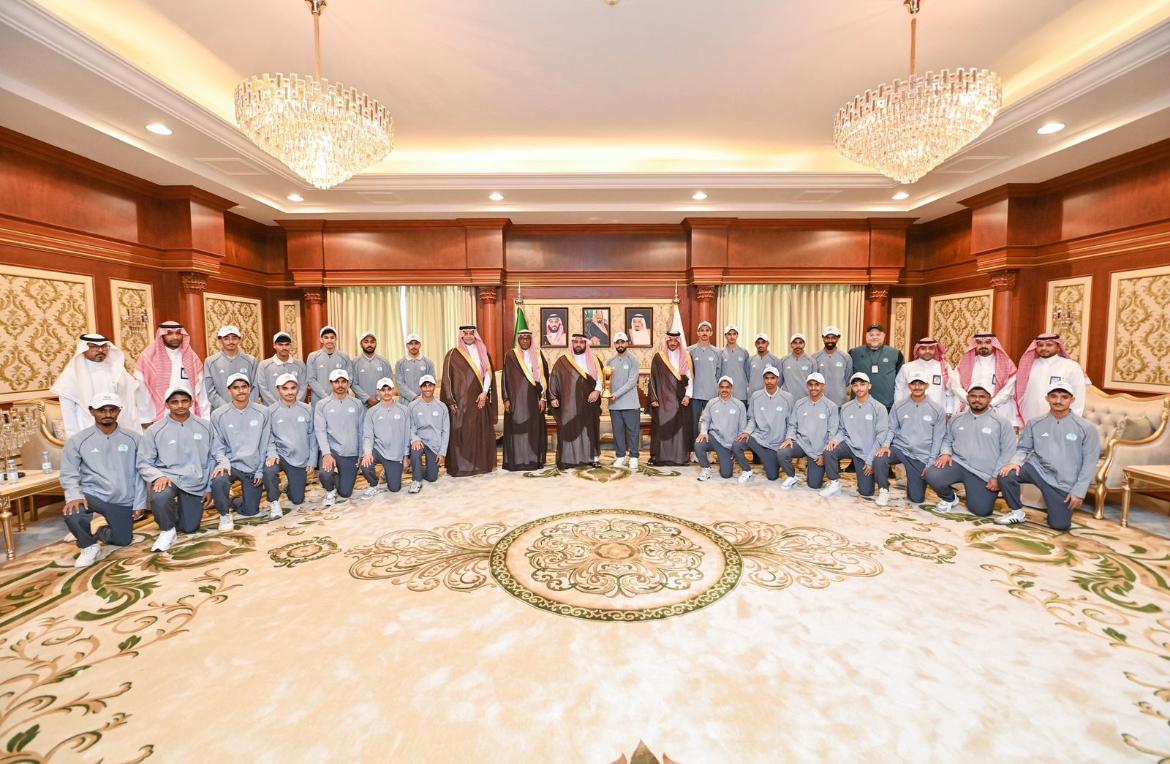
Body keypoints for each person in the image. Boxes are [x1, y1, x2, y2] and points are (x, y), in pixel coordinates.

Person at [60, 392, 148, 567]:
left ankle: (100, 532)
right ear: (92, 411)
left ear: (119, 411)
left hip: (123, 499)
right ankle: (88, 545)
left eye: (112, 410)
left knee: (123, 540)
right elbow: (69, 473)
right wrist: (74, 496)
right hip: (92, 495)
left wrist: (139, 503)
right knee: (73, 511)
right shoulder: (77, 441)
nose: (107, 414)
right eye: (102, 410)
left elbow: (140, 473)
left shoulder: (135, 439)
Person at [997, 383, 1100, 530]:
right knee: (1006, 474)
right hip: (1037, 469)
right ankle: (1017, 512)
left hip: (1063, 481)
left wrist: (1079, 491)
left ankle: (1055, 508)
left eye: (1064, 397)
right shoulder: (1035, 423)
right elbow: (1023, 448)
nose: (1058, 401)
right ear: (1047, 398)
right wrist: (1015, 462)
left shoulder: (1086, 428)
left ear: (1072, 400)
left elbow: (1089, 462)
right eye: (1054, 396)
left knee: (1060, 525)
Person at [139, 386, 214, 553]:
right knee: (160, 496)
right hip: (168, 478)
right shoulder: (154, 430)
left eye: (184, 401)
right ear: (166, 405)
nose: (180, 405)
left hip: (195, 481)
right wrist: (158, 476)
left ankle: (176, 512)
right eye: (174, 402)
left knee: (189, 527)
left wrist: (209, 487)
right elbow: (143, 462)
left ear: (191, 403)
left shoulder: (205, 426)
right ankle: (167, 531)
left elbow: (212, 459)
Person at [925, 385, 1017, 517]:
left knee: (981, 511)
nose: (977, 400)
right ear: (967, 398)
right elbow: (947, 439)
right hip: (958, 464)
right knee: (931, 474)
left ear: (990, 399)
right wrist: (945, 453)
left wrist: (996, 477)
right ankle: (950, 498)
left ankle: (974, 494)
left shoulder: (1002, 423)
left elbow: (1008, 452)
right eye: (973, 396)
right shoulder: (956, 418)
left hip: (983, 473)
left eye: (982, 397)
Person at [52, 333, 148, 438]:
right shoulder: (72, 375)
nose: (101, 350)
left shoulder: (117, 370)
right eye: (94, 347)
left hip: (119, 428)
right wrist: (74, 439)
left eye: (104, 346)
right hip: (88, 430)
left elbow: (129, 401)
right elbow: (68, 414)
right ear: (84, 348)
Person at [874, 373, 946, 506]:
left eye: (921, 384)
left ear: (927, 385)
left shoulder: (937, 409)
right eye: (914, 383)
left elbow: (938, 438)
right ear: (909, 386)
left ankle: (912, 484)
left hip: (921, 456)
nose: (917, 387)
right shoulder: (899, 405)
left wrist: (930, 461)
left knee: (916, 499)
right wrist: (885, 445)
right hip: (900, 449)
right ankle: (884, 490)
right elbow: (891, 428)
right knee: (880, 458)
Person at [209, 374, 270, 529]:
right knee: (218, 479)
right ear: (229, 390)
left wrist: (260, 470)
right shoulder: (218, 414)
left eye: (244, 387)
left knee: (251, 511)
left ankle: (233, 500)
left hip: (253, 466)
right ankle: (224, 514)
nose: (241, 390)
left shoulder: (263, 411)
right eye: (236, 387)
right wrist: (223, 463)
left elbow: (265, 443)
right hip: (230, 465)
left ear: (249, 389)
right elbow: (217, 445)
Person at [440, 325, 497, 476]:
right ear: (461, 336)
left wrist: (485, 393)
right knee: (462, 432)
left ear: (475, 335)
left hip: (479, 399)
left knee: (478, 432)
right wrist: (450, 400)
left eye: (471, 333)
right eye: (465, 334)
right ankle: (462, 466)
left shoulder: (483, 352)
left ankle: (479, 465)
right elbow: (446, 379)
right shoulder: (453, 354)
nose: (469, 336)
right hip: (460, 402)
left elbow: (488, 374)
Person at [822, 372, 889, 498]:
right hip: (849, 445)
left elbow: (881, 436)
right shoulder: (846, 407)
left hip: (866, 452)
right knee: (829, 450)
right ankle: (834, 483)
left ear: (869, 386)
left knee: (866, 492)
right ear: (852, 388)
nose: (859, 388)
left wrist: (870, 460)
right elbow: (842, 430)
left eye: (862, 384)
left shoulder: (879, 408)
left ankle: (877, 483)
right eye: (855, 385)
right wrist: (835, 439)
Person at [314, 368, 374, 507]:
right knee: (325, 474)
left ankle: (338, 478)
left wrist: (361, 454)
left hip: (350, 452)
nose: (340, 385)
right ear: (331, 383)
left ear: (348, 383)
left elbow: (362, 431)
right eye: (336, 382)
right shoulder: (322, 405)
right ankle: (330, 489)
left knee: (345, 493)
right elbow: (320, 431)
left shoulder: (357, 404)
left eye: (343, 381)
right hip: (332, 451)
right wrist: (326, 454)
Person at [264, 373, 316, 517]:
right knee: (269, 470)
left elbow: (312, 436)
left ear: (297, 388)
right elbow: (268, 437)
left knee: (297, 499)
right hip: (280, 455)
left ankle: (289, 487)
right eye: (285, 388)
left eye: (293, 388)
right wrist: (272, 454)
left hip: (299, 458)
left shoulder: (307, 409)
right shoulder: (270, 411)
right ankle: (274, 501)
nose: (289, 392)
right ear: (278, 390)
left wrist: (312, 460)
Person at [135, 321, 209, 422]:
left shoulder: (192, 358)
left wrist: (205, 417)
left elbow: (201, 390)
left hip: (189, 415)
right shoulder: (148, 358)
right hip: (159, 418)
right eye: (169, 333)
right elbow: (142, 391)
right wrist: (145, 419)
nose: (175, 337)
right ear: (162, 335)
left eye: (178, 333)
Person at [777, 373, 839, 490]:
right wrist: (789, 438)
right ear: (807, 386)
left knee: (814, 485)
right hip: (801, 444)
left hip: (818, 449)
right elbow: (792, 425)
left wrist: (824, 455)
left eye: (817, 385)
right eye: (810, 385)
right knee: (782, 452)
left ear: (823, 386)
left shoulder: (831, 406)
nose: (813, 388)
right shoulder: (799, 403)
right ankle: (791, 476)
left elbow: (832, 433)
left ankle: (813, 468)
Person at [549, 333, 602, 469]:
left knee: (590, 429)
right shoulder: (562, 361)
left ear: (586, 344)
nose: (578, 344)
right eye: (576, 342)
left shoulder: (594, 359)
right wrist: (553, 397)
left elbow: (600, 378)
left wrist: (597, 391)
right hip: (569, 403)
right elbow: (554, 378)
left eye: (581, 342)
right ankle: (567, 459)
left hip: (589, 402)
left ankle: (593, 458)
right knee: (568, 428)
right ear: (572, 343)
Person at [501, 328, 549, 471]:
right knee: (516, 429)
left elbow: (544, 378)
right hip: (515, 399)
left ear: (531, 340)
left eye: (528, 338)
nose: (525, 341)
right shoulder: (510, 355)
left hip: (533, 398)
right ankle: (517, 460)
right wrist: (506, 399)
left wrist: (543, 398)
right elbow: (505, 378)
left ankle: (533, 460)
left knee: (533, 429)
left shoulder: (538, 355)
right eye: (522, 338)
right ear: (518, 340)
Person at [734, 365, 792, 482]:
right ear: (763, 379)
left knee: (772, 477)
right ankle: (747, 470)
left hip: (776, 443)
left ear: (777, 379)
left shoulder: (787, 397)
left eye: (772, 378)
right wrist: (746, 432)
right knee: (737, 444)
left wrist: (788, 438)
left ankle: (772, 459)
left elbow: (790, 423)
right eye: (766, 378)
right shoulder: (756, 396)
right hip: (758, 438)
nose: (769, 381)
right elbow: (752, 419)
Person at [1014, 333, 1089, 423]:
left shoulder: (1071, 366)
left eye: (1049, 345)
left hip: (1060, 419)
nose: (1044, 348)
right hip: (1030, 416)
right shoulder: (1028, 366)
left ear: (1058, 347)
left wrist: (1072, 421)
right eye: (1040, 345)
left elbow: (1078, 395)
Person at [648, 329, 693, 466]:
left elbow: (690, 378)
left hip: (680, 399)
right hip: (663, 400)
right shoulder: (659, 357)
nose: (673, 343)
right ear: (666, 341)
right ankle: (659, 457)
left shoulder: (686, 356)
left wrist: (688, 395)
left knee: (680, 428)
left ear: (679, 342)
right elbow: (652, 378)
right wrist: (653, 398)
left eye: (675, 341)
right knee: (662, 427)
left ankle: (679, 457)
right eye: (670, 340)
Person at [361, 379, 412, 495]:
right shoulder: (371, 412)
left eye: (389, 389)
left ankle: (388, 471)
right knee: (365, 464)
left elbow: (406, 435)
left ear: (393, 390)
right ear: (378, 391)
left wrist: (405, 456)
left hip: (395, 454)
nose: (386, 392)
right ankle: (374, 484)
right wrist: (367, 453)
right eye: (383, 390)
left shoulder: (404, 410)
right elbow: (368, 435)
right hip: (378, 450)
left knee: (394, 488)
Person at [695, 377, 750, 481]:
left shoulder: (739, 405)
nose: (724, 390)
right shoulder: (711, 403)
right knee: (699, 443)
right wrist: (703, 432)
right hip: (714, 438)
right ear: (718, 388)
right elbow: (705, 420)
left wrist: (735, 448)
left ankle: (729, 459)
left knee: (726, 474)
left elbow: (742, 428)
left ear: (732, 388)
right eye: (722, 387)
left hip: (729, 444)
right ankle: (706, 468)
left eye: (727, 387)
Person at [956, 333, 1018, 423]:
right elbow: (955, 385)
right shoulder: (965, 363)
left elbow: (1009, 388)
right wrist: (970, 401)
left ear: (993, 344)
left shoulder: (1005, 364)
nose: (983, 346)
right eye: (979, 343)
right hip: (970, 408)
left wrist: (991, 403)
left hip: (997, 408)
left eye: (987, 342)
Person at [894, 338, 962, 413]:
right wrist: (899, 409)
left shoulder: (944, 367)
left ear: (935, 350)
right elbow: (899, 390)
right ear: (918, 350)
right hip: (911, 412)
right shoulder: (907, 368)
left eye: (931, 348)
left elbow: (950, 392)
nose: (927, 351)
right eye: (923, 348)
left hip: (937, 413)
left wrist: (949, 411)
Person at [606, 332, 642, 470]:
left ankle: (634, 457)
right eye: (617, 342)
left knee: (633, 432)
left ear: (627, 343)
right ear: (614, 344)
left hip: (630, 403)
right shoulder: (610, 361)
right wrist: (606, 391)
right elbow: (607, 381)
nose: (620, 345)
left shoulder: (634, 360)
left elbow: (632, 382)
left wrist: (615, 394)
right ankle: (620, 456)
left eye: (622, 342)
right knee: (618, 432)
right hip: (614, 405)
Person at [408, 375, 449, 493]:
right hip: (419, 441)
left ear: (434, 387)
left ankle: (419, 469)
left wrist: (442, 452)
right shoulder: (412, 406)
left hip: (434, 443)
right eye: (424, 386)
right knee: (415, 450)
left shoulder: (442, 407)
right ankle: (416, 480)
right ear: (420, 388)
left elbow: (446, 431)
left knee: (432, 478)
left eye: (430, 386)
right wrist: (414, 438)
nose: (427, 389)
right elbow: (409, 426)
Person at [848, 324, 904, 409]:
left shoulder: (896, 354)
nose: (874, 337)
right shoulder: (854, 353)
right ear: (866, 336)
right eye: (871, 335)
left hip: (886, 404)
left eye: (878, 334)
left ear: (884, 336)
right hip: (859, 403)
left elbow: (901, 380)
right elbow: (847, 375)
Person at [687, 321, 722, 457]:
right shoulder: (690, 351)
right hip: (695, 394)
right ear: (698, 333)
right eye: (702, 330)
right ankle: (693, 452)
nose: (704, 333)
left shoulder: (717, 352)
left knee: (711, 424)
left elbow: (719, 374)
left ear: (711, 333)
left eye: (707, 330)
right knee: (693, 424)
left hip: (711, 395)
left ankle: (709, 452)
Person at [203, 325, 258, 410]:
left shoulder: (251, 361)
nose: (231, 341)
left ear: (239, 339)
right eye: (226, 338)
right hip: (220, 411)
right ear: (220, 340)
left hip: (247, 410)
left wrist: (245, 406)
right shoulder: (210, 362)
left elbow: (255, 387)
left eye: (234, 338)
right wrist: (227, 409)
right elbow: (210, 390)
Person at [306, 326, 353, 408]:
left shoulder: (344, 356)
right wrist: (326, 397)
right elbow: (311, 379)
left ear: (336, 339)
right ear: (321, 339)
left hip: (340, 399)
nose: (329, 340)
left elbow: (350, 377)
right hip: (319, 400)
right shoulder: (312, 357)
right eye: (326, 338)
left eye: (332, 337)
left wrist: (339, 394)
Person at [256, 331, 308, 405]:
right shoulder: (264, 365)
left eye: (287, 344)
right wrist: (277, 406)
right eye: (280, 345)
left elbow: (303, 387)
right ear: (274, 345)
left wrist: (295, 404)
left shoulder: (300, 365)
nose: (284, 348)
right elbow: (263, 388)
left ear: (290, 345)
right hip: (271, 408)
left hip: (296, 407)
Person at [812, 326, 853, 405]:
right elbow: (813, 380)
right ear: (823, 338)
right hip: (820, 401)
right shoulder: (815, 357)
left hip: (840, 402)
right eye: (827, 338)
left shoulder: (846, 357)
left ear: (838, 338)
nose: (830, 340)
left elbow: (847, 380)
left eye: (833, 338)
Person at [352, 331, 391, 408]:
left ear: (376, 344)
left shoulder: (384, 361)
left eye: (372, 342)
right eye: (366, 342)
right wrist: (367, 398)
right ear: (361, 344)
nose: (369, 344)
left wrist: (378, 397)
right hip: (361, 404)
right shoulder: (354, 362)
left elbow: (388, 382)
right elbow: (353, 384)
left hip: (381, 403)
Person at [394, 334, 435, 404]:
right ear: (407, 345)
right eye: (410, 344)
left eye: (416, 343)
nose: (413, 346)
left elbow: (431, 382)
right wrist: (415, 397)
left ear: (420, 345)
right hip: (405, 404)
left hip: (424, 402)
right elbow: (400, 384)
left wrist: (422, 398)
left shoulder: (428, 362)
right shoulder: (400, 363)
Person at [720, 325, 751, 404]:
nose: (732, 336)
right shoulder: (720, 353)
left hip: (741, 393)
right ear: (725, 336)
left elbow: (748, 373)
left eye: (734, 334)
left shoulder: (744, 352)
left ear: (737, 335)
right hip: (725, 393)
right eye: (729, 334)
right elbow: (718, 374)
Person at [779, 333, 813, 399]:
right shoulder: (783, 361)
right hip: (787, 399)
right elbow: (779, 383)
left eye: (800, 343)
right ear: (791, 344)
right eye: (795, 343)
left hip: (805, 399)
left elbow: (814, 383)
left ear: (804, 344)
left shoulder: (811, 361)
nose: (798, 345)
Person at [747, 333, 781, 397]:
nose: (760, 345)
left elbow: (779, 380)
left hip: (769, 395)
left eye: (763, 342)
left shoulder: (775, 360)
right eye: (758, 343)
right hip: (752, 395)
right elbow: (748, 377)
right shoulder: (750, 360)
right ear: (755, 344)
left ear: (767, 343)